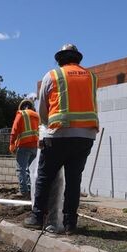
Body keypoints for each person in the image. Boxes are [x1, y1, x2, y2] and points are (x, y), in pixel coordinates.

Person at [23, 44, 99, 233]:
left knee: (44, 177)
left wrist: (48, 127)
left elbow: (42, 111)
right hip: (85, 136)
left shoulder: (53, 75)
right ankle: (70, 224)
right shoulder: (91, 77)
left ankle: (37, 216)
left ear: (60, 60)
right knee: (74, 181)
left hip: (58, 135)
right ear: (78, 59)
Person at [8, 98, 39, 196]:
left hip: (24, 145)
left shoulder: (21, 114)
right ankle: (30, 190)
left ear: (22, 107)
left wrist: (12, 144)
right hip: (35, 147)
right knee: (29, 169)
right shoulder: (37, 115)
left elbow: (14, 131)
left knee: (21, 169)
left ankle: (24, 192)